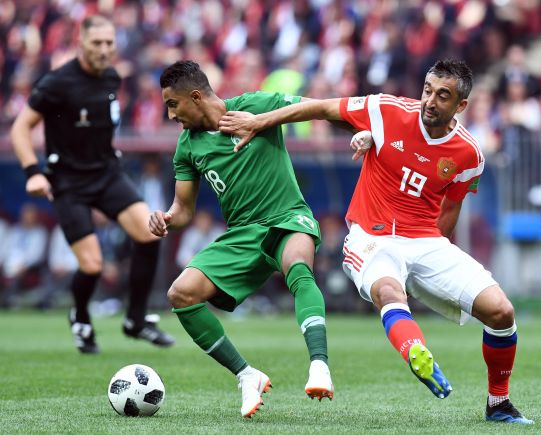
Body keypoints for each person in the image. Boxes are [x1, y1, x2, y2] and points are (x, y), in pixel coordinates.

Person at [219, 59, 533, 424]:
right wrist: (260, 121)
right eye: (428, 90)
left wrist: (433, 270)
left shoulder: (469, 154)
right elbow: (320, 107)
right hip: (371, 237)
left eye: (443, 95)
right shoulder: (386, 110)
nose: (430, 101)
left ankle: (499, 404)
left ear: (461, 105)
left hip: (425, 242)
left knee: (501, 312)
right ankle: (415, 349)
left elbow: (450, 211)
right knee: (388, 290)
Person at [148, 60, 334, 419]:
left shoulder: (255, 105)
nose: (170, 115)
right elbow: (183, 208)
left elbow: (319, 107)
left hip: (286, 217)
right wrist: (168, 218)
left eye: (173, 104)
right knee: (181, 294)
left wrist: (263, 121)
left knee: (298, 267)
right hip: (242, 235)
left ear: (196, 96)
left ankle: (319, 366)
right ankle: (247, 375)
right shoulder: (187, 147)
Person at [10, 15, 174, 353]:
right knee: (92, 265)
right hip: (69, 182)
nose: (103, 49)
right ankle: (81, 316)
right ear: (81, 43)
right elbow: (20, 128)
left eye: (109, 42)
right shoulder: (57, 82)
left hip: (107, 174)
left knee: (150, 232)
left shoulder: (112, 77)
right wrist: (32, 172)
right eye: (96, 43)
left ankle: (136, 320)